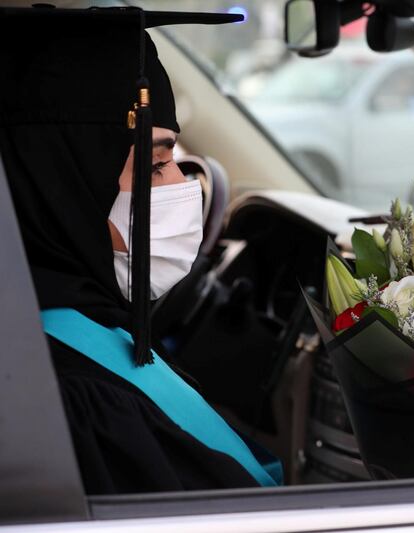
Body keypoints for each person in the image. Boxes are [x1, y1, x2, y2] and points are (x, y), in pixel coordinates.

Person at [0, 6, 281, 493]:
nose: (182, 185)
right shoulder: (66, 401)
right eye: (154, 166)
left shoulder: (79, 331)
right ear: (64, 191)